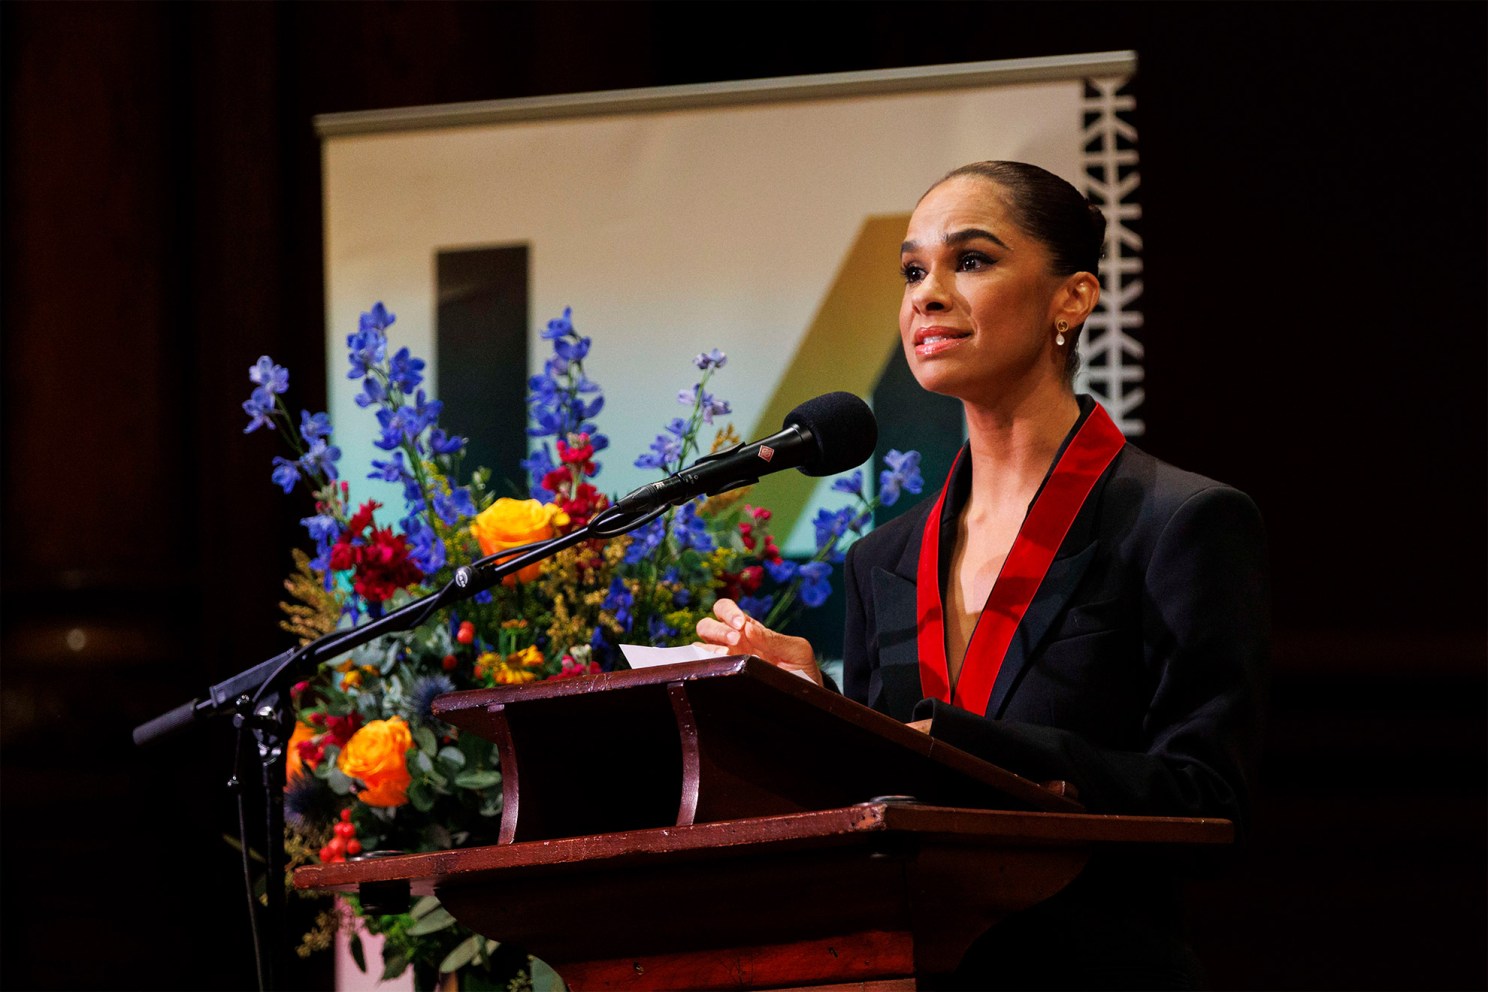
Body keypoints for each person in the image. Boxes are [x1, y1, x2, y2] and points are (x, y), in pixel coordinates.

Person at [697, 161, 1269, 989]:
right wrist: (818, 714)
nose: (926, 294)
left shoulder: (1181, 523)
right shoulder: (880, 561)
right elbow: (887, 826)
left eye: (970, 261)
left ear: (1071, 299)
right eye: (912, 270)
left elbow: (1209, 803)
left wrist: (966, 748)